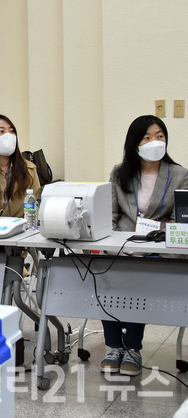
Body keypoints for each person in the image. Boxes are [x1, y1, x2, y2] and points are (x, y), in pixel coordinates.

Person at [100, 115, 188, 376]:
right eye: (147, 137)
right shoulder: (119, 172)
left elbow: (179, 221)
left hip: (156, 248)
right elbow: (110, 215)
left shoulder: (179, 174)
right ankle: (114, 346)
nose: (154, 141)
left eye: (160, 136)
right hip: (123, 245)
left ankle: (132, 348)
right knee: (105, 274)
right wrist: (110, 243)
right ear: (134, 143)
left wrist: (154, 237)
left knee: (139, 279)